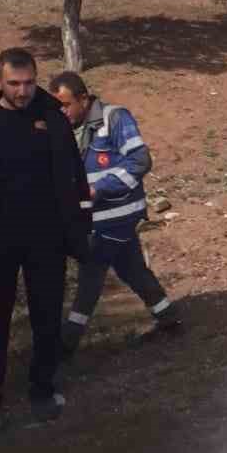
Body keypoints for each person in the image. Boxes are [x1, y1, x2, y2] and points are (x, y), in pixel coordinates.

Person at [0, 47, 92, 432]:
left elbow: (75, 177)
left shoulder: (51, 118)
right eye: (14, 84)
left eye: (29, 82)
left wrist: (80, 229)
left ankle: (42, 390)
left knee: (46, 319)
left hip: (46, 239)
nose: (23, 91)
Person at [48, 72, 180, 355]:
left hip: (116, 215)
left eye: (66, 104)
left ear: (83, 99)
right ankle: (168, 317)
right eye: (56, 107)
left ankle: (66, 343)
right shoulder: (66, 129)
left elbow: (140, 160)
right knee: (132, 269)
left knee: (91, 275)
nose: (61, 111)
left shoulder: (115, 119)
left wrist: (99, 189)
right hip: (93, 219)